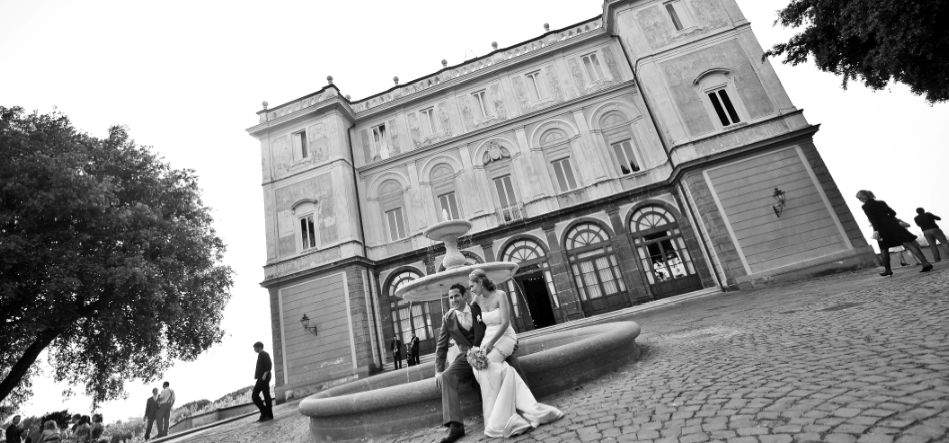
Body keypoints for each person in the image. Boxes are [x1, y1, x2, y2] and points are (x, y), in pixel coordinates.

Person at [467, 269, 563, 439]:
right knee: (481, 368)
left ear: (480, 283)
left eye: (472, 285)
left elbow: (505, 323)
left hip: (504, 336)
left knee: (488, 365)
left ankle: (499, 419)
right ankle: (507, 409)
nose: (471, 289)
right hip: (488, 335)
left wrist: (491, 344)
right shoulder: (476, 299)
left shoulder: (501, 295)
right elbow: (470, 317)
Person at [856, 190, 932, 276]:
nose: (859, 200)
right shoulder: (881, 202)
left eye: (859, 198)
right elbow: (893, 213)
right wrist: (888, 220)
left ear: (862, 198)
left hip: (882, 229)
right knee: (908, 243)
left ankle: (888, 270)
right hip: (893, 225)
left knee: (884, 248)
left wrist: (876, 230)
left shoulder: (865, 206)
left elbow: (873, 219)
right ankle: (925, 263)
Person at [251, 341, 274, 422]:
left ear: (259, 347)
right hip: (260, 378)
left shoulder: (264, 354)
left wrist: (265, 374)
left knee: (266, 396)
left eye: (255, 347)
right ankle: (264, 412)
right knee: (254, 396)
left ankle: (269, 415)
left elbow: (269, 365)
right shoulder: (260, 355)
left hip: (264, 378)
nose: (254, 349)